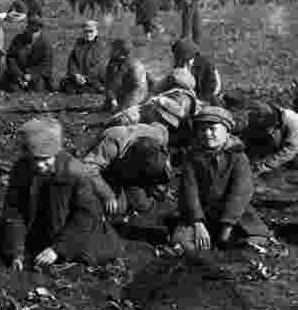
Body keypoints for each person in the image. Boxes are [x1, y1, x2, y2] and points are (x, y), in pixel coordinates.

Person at [0, 118, 122, 270]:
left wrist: (58, 249)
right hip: (38, 225)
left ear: (56, 153)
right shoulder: (20, 170)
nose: (39, 165)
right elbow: (14, 211)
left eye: (45, 159)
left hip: (70, 229)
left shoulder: (74, 171)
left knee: (92, 253)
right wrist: (16, 252)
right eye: (34, 159)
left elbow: (86, 216)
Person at [172, 107, 269, 252]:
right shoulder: (192, 157)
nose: (207, 134)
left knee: (256, 240)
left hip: (234, 214)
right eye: (202, 130)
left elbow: (240, 194)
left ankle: (231, 242)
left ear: (227, 132)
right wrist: (198, 223)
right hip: (200, 212)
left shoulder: (238, 157)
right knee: (181, 243)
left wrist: (227, 227)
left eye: (212, 129)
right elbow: (189, 191)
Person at [80, 121, 171, 218]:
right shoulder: (114, 141)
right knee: (118, 207)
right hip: (108, 169)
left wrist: (159, 185)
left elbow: (160, 128)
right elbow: (88, 169)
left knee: (144, 205)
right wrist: (107, 194)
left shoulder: (157, 136)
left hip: (129, 169)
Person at [242, 102, 298, 176]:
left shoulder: (294, 123)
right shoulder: (263, 114)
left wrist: (263, 166)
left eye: (268, 128)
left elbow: (290, 150)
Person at [4, 16, 54, 92]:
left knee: (38, 87)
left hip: (37, 76)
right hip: (19, 73)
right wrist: (19, 75)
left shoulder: (45, 44)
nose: (32, 34)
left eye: (35, 31)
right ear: (27, 28)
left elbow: (46, 66)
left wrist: (31, 75)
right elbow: (11, 58)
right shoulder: (18, 39)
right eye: (30, 30)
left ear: (40, 31)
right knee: (13, 88)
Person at [171, 38, 221, 105]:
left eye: (179, 57)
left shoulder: (207, 66)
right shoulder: (180, 64)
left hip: (207, 97)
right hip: (190, 96)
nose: (178, 61)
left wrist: (198, 101)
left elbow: (211, 89)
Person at [61, 20, 105, 93]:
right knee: (64, 83)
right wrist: (76, 75)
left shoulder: (100, 45)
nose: (88, 34)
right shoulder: (78, 44)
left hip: (93, 78)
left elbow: (98, 67)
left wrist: (84, 78)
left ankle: (95, 88)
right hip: (78, 77)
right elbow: (72, 62)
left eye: (91, 31)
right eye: (86, 31)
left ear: (96, 32)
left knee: (93, 85)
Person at [104, 39, 149, 111]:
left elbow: (116, 82)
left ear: (119, 51)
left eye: (112, 49)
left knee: (119, 117)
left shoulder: (130, 63)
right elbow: (108, 82)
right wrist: (111, 98)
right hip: (123, 93)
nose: (109, 50)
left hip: (134, 95)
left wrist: (117, 102)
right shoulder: (114, 61)